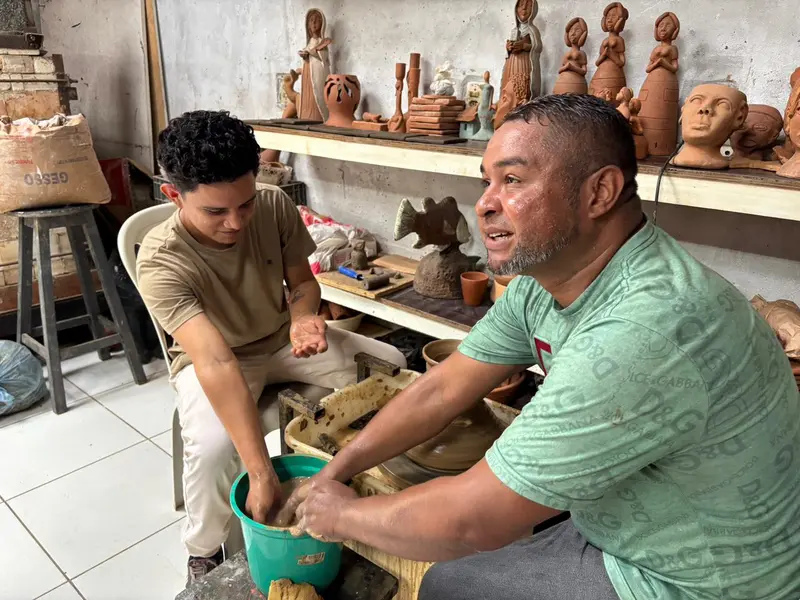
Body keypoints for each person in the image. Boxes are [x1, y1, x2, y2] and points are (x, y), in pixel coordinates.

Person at [287, 95, 800, 600]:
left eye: (512, 180)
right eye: (485, 181)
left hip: (706, 578)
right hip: (640, 513)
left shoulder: (643, 329)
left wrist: (340, 516)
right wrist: (337, 469)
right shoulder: (548, 279)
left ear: (599, 192)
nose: (485, 202)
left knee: (448, 582)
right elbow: (443, 388)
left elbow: (470, 522)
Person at [136, 110, 405, 584]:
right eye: (216, 212)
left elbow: (303, 283)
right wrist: (261, 473)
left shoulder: (276, 205)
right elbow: (215, 360)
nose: (236, 222)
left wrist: (303, 319)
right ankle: (201, 552)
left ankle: (355, 478)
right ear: (173, 195)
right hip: (218, 358)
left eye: (244, 204)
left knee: (388, 366)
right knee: (217, 447)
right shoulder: (160, 259)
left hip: (282, 338)